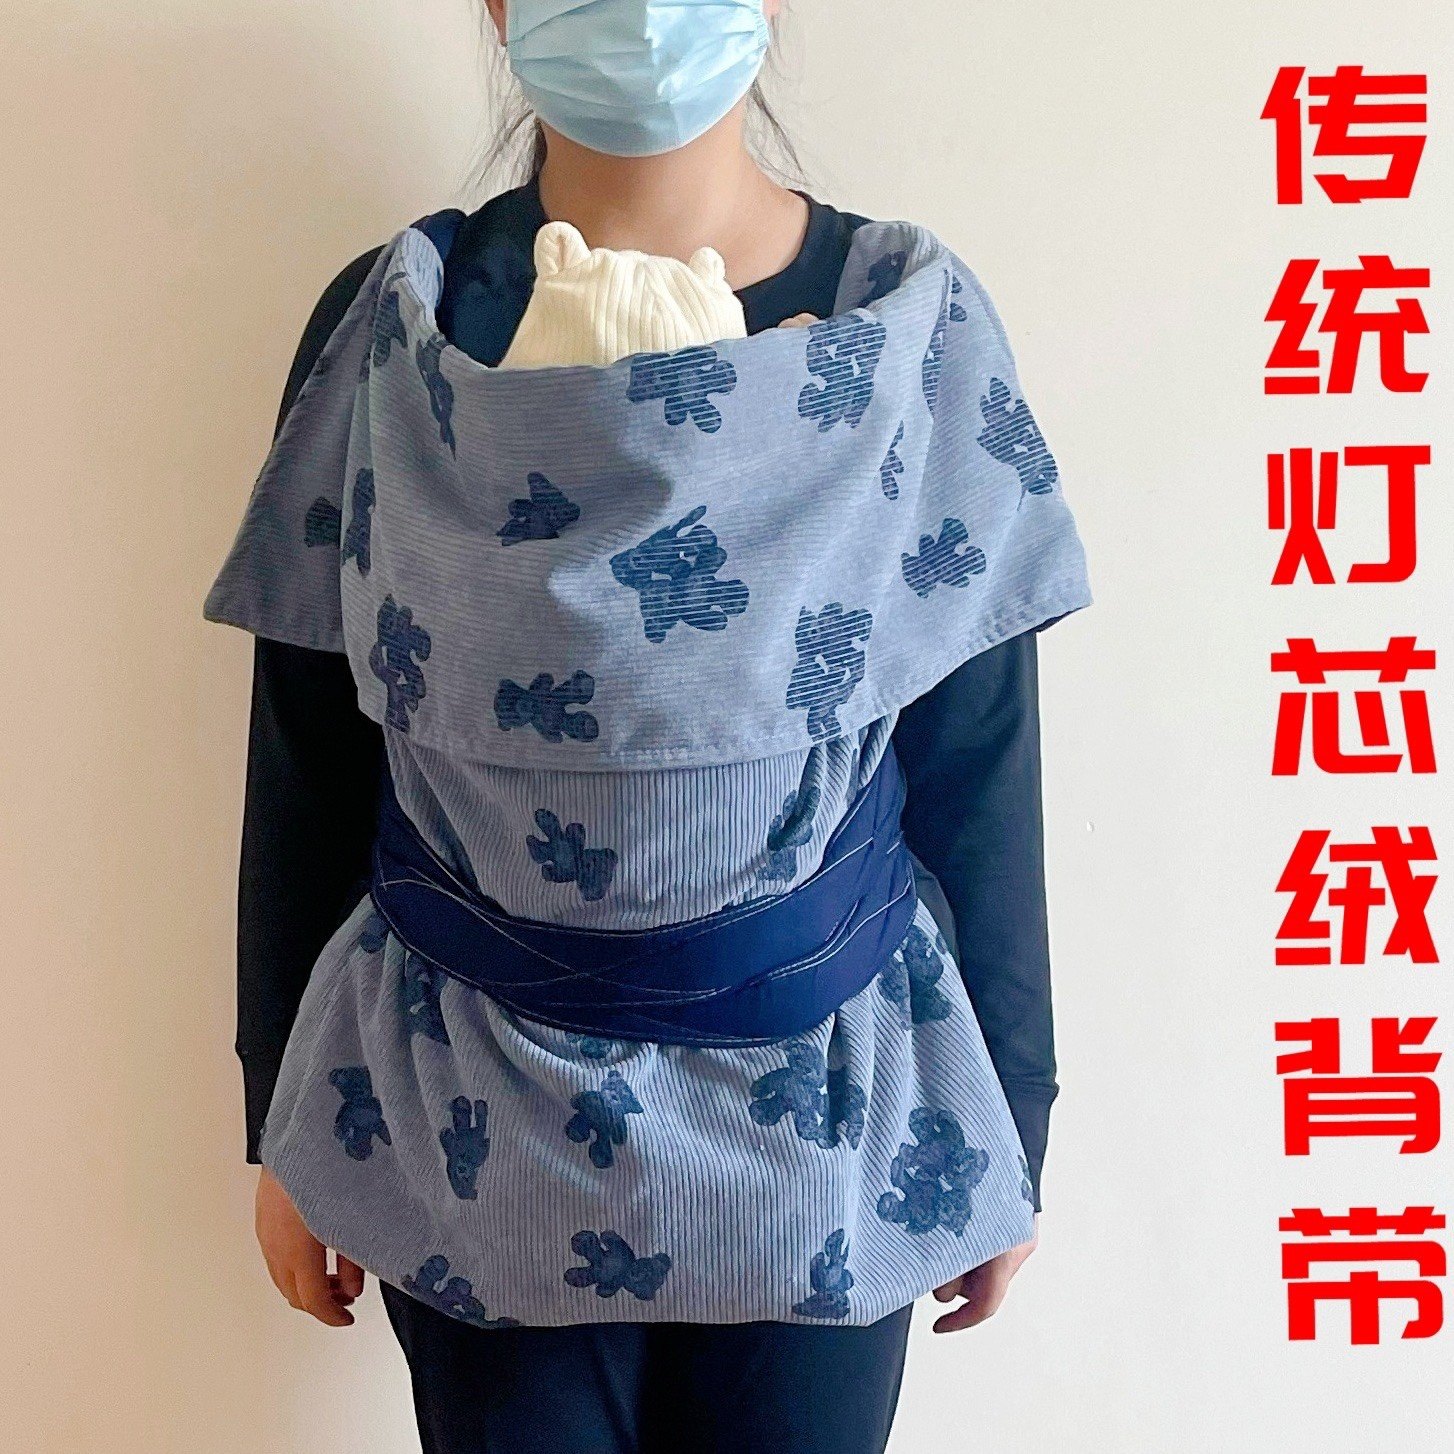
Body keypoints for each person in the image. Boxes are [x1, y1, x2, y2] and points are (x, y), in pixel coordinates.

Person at [208, 2, 1092, 1450]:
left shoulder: (901, 322)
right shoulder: (397, 322)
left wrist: (1013, 1122)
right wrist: (283, 1116)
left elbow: (977, 754)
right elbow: (310, 741)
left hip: (829, 1116)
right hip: (465, 1106)